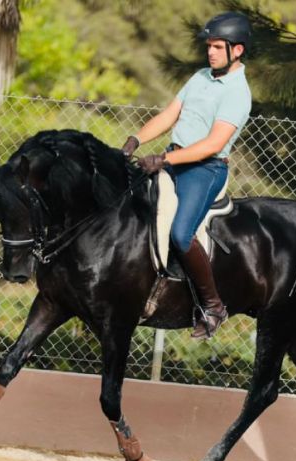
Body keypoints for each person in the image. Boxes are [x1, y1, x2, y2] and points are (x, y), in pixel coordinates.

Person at [120, 12, 252, 339]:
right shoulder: (200, 77)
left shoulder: (238, 92)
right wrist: (136, 139)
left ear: (237, 50)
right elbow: (169, 115)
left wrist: (164, 159)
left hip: (204, 170)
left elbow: (213, 144)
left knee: (181, 233)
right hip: (174, 158)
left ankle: (212, 306)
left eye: (218, 47)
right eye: (209, 46)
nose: (211, 53)